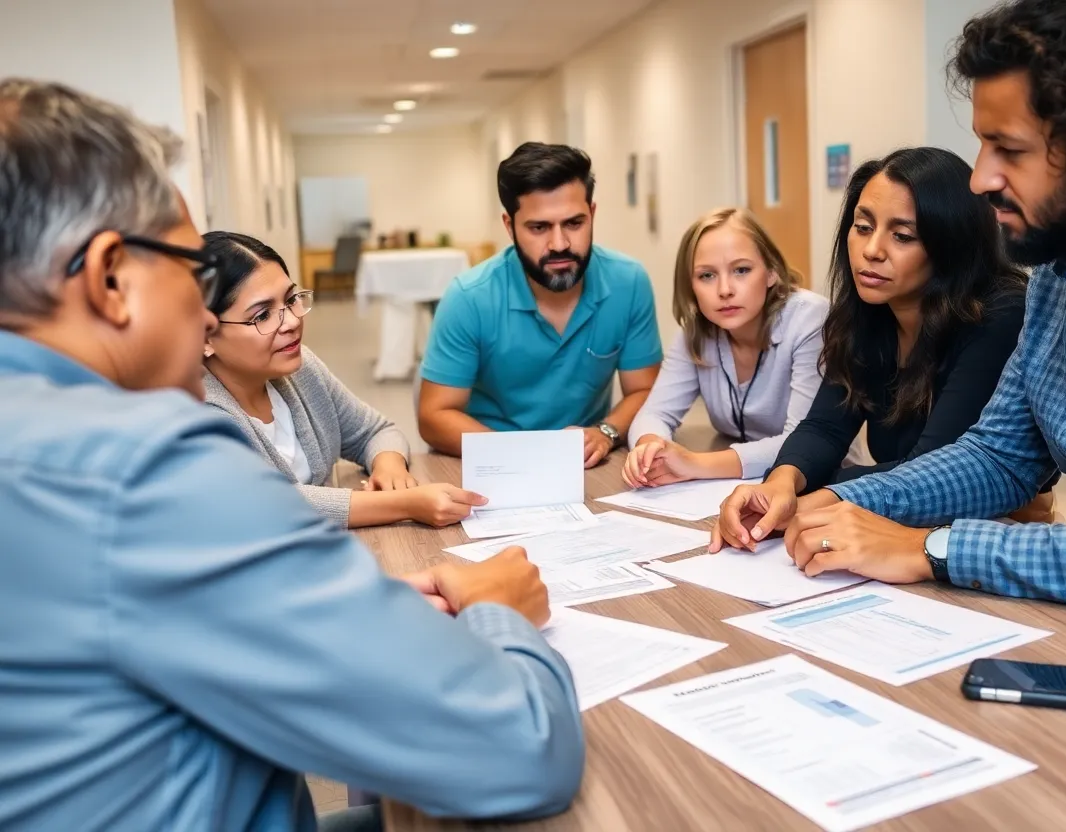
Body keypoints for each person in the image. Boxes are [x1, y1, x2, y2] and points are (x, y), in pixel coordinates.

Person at [0, 79, 583, 832]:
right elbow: (521, 751)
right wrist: (499, 614)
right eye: (189, 270)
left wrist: (352, 610)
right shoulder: (142, 468)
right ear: (112, 278)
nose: (200, 309)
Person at [755, 0, 1066, 618]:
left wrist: (936, 549)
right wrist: (839, 503)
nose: (979, 179)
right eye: (981, 146)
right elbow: (998, 456)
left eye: (1009, 151)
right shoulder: (1059, 270)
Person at [713, 147, 1051, 551]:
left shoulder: (999, 314)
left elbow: (933, 471)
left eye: (902, 236)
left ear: (951, 245)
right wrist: (781, 481)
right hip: (898, 528)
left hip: (982, 536)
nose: (872, 250)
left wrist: (812, 497)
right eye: (862, 227)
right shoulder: (869, 311)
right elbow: (825, 426)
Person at [202, 230, 485, 529]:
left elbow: (375, 430)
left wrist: (388, 465)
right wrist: (404, 503)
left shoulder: (299, 369)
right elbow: (268, 504)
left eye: (291, 300)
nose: (292, 321)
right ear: (204, 335)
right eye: (262, 316)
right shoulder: (201, 413)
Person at [418, 142, 663, 468]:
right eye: (539, 227)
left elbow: (644, 391)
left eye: (574, 223)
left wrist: (606, 431)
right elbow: (434, 417)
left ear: (592, 214)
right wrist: (526, 454)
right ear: (510, 227)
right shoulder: (469, 297)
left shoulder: (628, 282)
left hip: (587, 463)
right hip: (495, 462)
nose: (560, 244)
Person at [622, 207, 828, 486]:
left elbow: (803, 442)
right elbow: (654, 413)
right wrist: (650, 449)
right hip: (743, 483)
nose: (724, 290)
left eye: (741, 270)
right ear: (690, 286)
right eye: (706, 275)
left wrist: (693, 463)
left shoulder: (809, 318)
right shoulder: (696, 331)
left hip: (821, 481)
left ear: (771, 273)